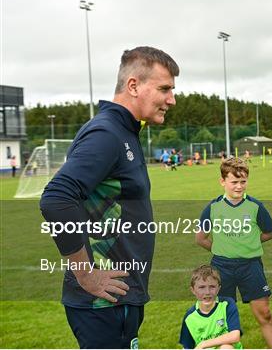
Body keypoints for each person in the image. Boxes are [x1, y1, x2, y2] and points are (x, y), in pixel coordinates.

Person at [40, 46, 179, 348]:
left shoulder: (124, 131)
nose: (172, 99)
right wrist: (86, 273)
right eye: (165, 89)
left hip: (118, 298)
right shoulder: (107, 133)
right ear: (133, 85)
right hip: (103, 303)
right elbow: (56, 198)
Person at [195, 158, 272, 348]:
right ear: (222, 181)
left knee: (264, 313)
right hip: (221, 268)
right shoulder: (213, 207)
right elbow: (200, 238)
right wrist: (223, 248)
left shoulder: (256, 206)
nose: (239, 186)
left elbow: (270, 232)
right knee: (222, 317)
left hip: (251, 266)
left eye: (243, 181)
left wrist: (247, 243)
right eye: (234, 181)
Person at [179, 265, 242, 349]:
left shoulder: (227, 304)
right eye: (202, 287)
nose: (207, 292)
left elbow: (235, 336)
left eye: (212, 287)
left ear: (218, 288)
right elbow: (187, 347)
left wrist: (203, 344)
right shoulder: (189, 317)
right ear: (193, 290)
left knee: (226, 347)